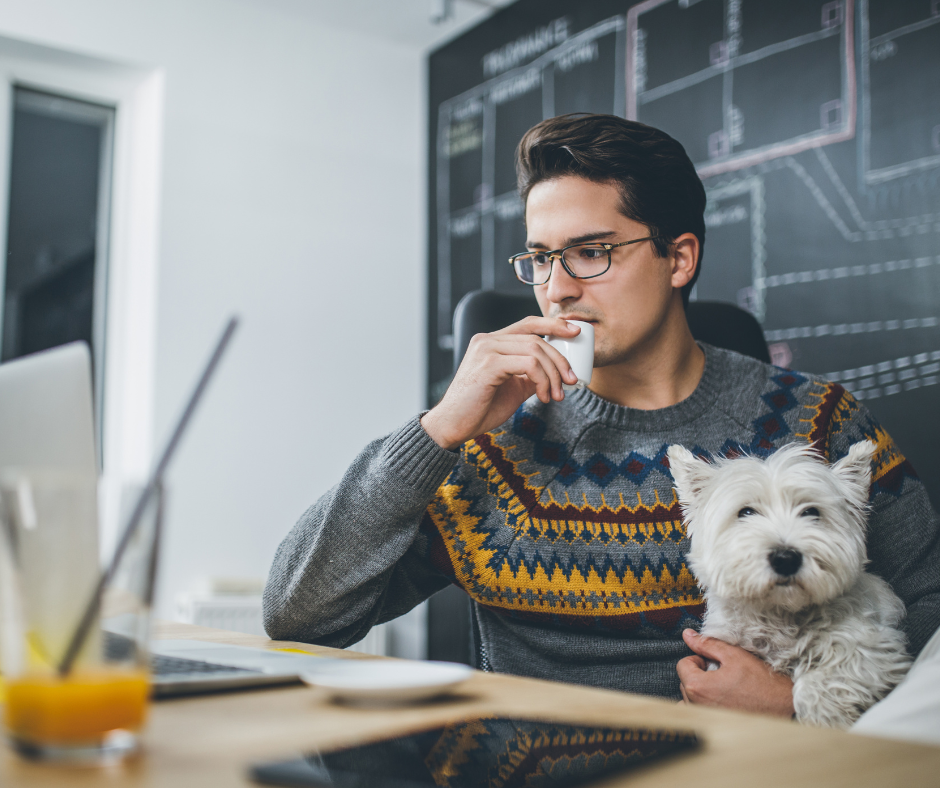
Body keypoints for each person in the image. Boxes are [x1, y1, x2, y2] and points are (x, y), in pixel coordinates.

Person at [263, 114, 940, 716]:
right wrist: (436, 429)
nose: (556, 289)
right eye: (540, 258)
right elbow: (299, 616)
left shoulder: (821, 422)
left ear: (678, 257)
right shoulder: (495, 445)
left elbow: (931, 611)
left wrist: (802, 705)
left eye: (591, 252)